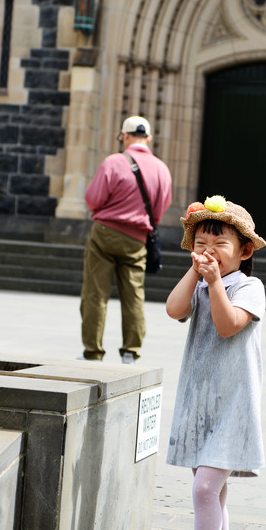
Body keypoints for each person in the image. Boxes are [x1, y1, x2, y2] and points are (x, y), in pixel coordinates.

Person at [165, 194, 266, 530]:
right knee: (212, 490)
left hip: (233, 407)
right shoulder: (201, 281)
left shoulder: (250, 287)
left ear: (243, 251)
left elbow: (228, 327)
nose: (208, 252)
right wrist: (196, 275)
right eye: (201, 244)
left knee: (206, 488)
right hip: (200, 401)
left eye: (219, 244)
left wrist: (212, 283)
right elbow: (174, 310)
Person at [80, 115, 172, 364]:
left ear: (125, 136)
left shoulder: (114, 161)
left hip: (105, 233)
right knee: (134, 294)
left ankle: (93, 353)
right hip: (137, 238)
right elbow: (162, 208)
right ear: (149, 138)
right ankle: (131, 351)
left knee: (95, 293)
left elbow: (93, 198)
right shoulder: (162, 169)